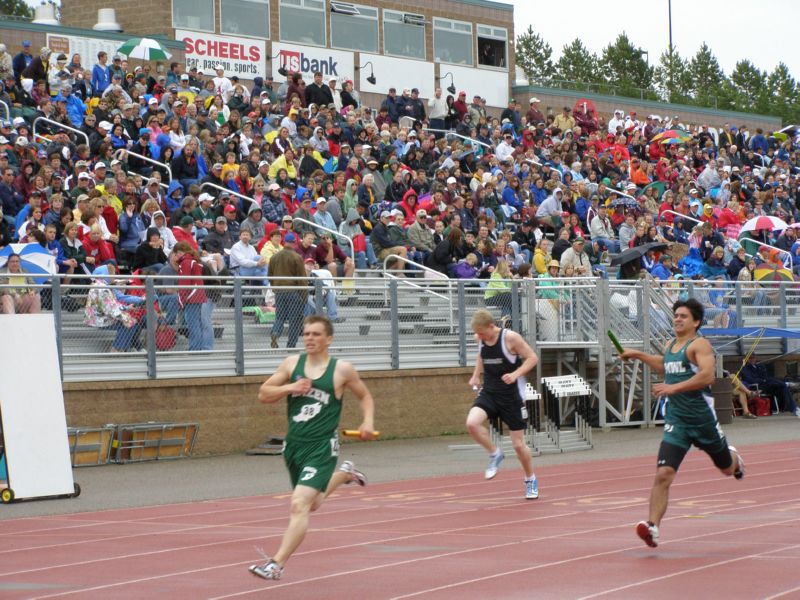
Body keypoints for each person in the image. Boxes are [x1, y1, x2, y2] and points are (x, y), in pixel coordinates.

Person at [250, 315, 376, 581]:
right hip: (294, 446)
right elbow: (263, 394)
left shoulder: (342, 369)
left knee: (299, 505)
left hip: (322, 446)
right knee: (313, 503)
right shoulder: (292, 364)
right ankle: (345, 474)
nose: (309, 338)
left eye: (316, 334)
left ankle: (275, 564)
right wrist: (291, 387)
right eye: (306, 333)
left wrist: (367, 421)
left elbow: (364, 395)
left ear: (328, 339)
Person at [619, 298, 745, 549]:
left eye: (683, 316)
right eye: (675, 315)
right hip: (677, 422)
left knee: (727, 470)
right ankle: (652, 526)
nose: (677, 319)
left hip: (703, 421)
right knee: (663, 474)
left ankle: (735, 459)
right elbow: (664, 366)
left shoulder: (700, 345)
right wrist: (639, 355)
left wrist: (673, 388)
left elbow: (707, 376)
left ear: (696, 322)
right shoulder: (670, 345)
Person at [466, 309, 539, 499]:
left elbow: (532, 358)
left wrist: (516, 374)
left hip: (511, 395)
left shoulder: (511, 338)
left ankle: (530, 479)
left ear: (492, 326)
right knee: (472, 423)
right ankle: (495, 453)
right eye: (477, 334)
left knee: (518, 445)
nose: (479, 336)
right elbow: (481, 355)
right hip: (490, 392)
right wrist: (475, 375)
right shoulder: (480, 338)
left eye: (482, 332)